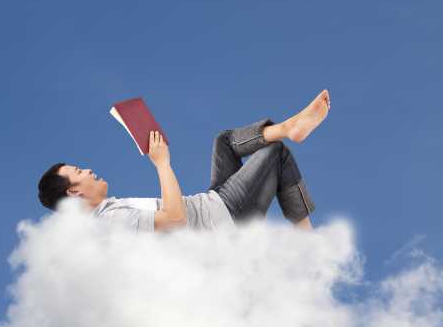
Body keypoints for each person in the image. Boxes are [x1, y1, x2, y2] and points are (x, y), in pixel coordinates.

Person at [36, 90, 330, 232]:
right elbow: (175, 219)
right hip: (224, 219)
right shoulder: (112, 221)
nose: (87, 169)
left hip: (212, 204)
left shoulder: (110, 211)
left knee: (224, 142)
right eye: (78, 172)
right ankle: (304, 239)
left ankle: (290, 126)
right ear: (74, 191)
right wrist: (162, 163)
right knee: (274, 154)